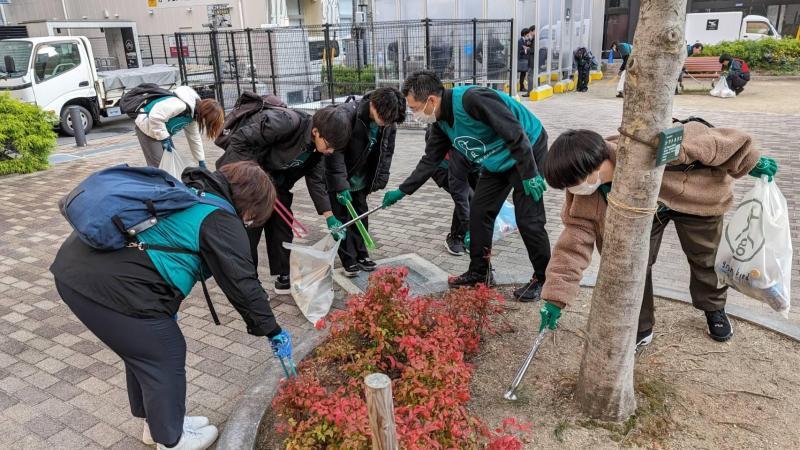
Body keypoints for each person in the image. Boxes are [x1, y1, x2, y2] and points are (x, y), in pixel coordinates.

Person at [50, 161, 292, 450]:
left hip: (78, 269)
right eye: (254, 218)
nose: (250, 223)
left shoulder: (192, 193)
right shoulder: (220, 221)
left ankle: (157, 425)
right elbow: (244, 286)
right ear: (250, 205)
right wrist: (272, 330)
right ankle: (171, 440)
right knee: (163, 352)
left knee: (142, 350)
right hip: (100, 285)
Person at [536, 121, 779, 346]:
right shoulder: (585, 193)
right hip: (645, 214)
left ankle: (713, 308)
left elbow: (714, 141)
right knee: (632, 265)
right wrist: (555, 296)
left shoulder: (645, 148)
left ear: (600, 162)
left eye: (577, 180)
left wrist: (750, 162)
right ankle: (641, 327)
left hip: (697, 198)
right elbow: (573, 244)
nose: (576, 188)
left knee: (706, 258)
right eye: (568, 185)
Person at [382, 70, 550, 301]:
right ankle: (479, 273)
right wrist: (402, 190)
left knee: (529, 219)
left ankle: (543, 279)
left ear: (431, 100)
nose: (414, 114)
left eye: (414, 108)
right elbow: (430, 160)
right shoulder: (441, 123)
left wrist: (530, 173)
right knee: (479, 213)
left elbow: (514, 132)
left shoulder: (473, 99)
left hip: (526, 149)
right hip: (495, 161)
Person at [216, 104, 351, 294]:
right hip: (249, 178)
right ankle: (249, 282)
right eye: (329, 145)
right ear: (315, 131)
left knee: (282, 224)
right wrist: (255, 176)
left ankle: (283, 273)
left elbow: (316, 181)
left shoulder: (317, 151)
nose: (330, 152)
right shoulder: (284, 123)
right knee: (250, 232)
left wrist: (329, 216)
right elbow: (239, 140)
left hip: (277, 182)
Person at [325, 88, 406, 277]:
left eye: (391, 121)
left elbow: (387, 152)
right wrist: (339, 184)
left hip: (361, 176)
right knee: (342, 217)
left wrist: (380, 178)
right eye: (384, 118)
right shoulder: (346, 115)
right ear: (374, 105)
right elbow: (335, 153)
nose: (386, 123)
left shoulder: (388, 123)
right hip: (339, 174)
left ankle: (362, 254)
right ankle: (348, 259)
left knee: (360, 214)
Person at [135, 85, 223, 168]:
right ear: (205, 114)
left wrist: (201, 160)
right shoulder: (180, 105)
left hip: (160, 133)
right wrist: (165, 139)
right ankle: (156, 183)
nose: (204, 124)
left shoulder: (193, 115)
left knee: (171, 163)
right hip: (146, 128)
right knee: (159, 166)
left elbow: (194, 138)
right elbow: (155, 117)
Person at [430, 146, 480, 256]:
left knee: (479, 197)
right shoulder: (443, 130)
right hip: (445, 167)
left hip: (471, 167)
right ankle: (456, 237)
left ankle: (470, 236)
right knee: (467, 197)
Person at [517, 28, 531, 93]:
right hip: (520, 60)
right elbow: (519, 51)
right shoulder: (520, 41)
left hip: (524, 60)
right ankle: (521, 87)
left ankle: (522, 87)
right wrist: (526, 50)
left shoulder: (525, 41)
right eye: (528, 34)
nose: (528, 35)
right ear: (525, 34)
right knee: (522, 74)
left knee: (523, 74)